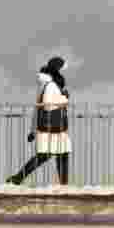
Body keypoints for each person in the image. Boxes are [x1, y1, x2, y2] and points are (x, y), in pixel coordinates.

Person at [6, 57, 71, 186]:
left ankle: (18, 178)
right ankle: (18, 178)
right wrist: (64, 98)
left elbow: (38, 109)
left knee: (56, 154)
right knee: (52, 155)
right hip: (53, 128)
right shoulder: (51, 85)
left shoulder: (44, 85)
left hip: (50, 127)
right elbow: (48, 104)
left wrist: (32, 130)